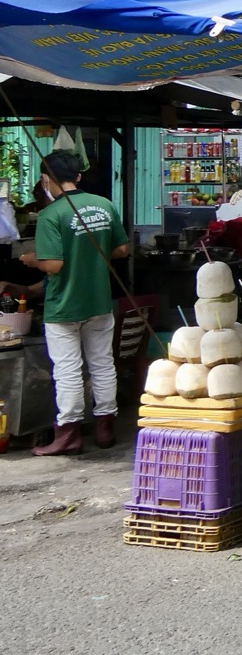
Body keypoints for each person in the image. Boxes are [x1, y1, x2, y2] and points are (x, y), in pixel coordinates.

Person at [21, 151, 129, 455]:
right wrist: (91, 254)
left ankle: (68, 434)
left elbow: (54, 265)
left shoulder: (51, 215)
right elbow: (122, 249)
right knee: (102, 363)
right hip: (99, 301)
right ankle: (105, 428)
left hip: (64, 305)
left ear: (46, 179)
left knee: (67, 370)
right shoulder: (104, 205)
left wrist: (32, 260)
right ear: (78, 176)